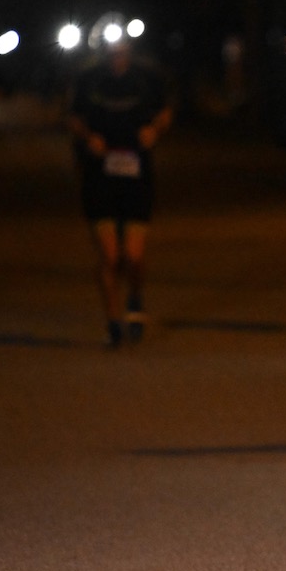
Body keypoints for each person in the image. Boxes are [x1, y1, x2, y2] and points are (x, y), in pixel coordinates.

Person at [67, 34, 174, 348]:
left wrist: (154, 130)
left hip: (136, 174)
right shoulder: (89, 79)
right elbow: (73, 117)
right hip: (100, 175)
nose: (117, 58)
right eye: (112, 53)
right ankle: (113, 321)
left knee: (134, 257)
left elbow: (165, 112)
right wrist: (89, 136)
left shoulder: (146, 79)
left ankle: (135, 300)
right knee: (110, 256)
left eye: (122, 52)